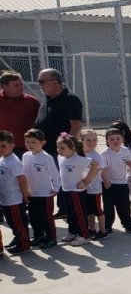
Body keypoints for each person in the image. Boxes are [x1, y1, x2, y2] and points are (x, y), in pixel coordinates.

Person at [36, 68, 82, 218]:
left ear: (55, 82)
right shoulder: (48, 98)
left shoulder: (70, 99)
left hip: (61, 150)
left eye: (42, 82)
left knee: (65, 179)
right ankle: (63, 209)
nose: (40, 85)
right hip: (45, 148)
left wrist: (68, 148)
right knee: (56, 179)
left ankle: (69, 210)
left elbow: (75, 125)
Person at [21, 128, 60, 248]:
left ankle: (51, 238)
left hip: (45, 193)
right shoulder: (26, 155)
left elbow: (55, 174)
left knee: (47, 218)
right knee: (33, 217)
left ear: (42, 143)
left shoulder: (46, 157)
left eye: (33, 142)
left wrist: (56, 188)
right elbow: (23, 173)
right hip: (32, 193)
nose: (30, 145)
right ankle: (38, 236)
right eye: (27, 142)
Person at [55, 134, 92, 246]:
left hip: (77, 192)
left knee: (79, 213)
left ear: (73, 148)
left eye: (62, 148)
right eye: (58, 147)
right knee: (70, 213)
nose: (59, 150)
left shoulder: (79, 159)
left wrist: (85, 181)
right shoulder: (60, 157)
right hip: (66, 190)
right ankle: (73, 232)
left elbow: (95, 165)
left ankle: (84, 235)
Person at [100, 127, 131, 235]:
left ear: (122, 140)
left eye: (118, 138)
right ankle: (107, 226)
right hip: (109, 184)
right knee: (108, 207)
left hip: (122, 183)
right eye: (111, 139)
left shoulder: (125, 150)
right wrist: (106, 181)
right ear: (107, 141)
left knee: (124, 206)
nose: (115, 141)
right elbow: (104, 169)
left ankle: (128, 225)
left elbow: (128, 160)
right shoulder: (105, 154)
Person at [0, 130, 31, 253]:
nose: (1, 149)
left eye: (3, 146)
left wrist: (25, 194)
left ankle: (24, 243)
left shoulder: (13, 161)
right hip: (5, 199)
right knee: (12, 222)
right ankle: (18, 239)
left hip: (14, 199)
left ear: (12, 145)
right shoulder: (3, 158)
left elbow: (22, 179)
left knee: (18, 223)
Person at [0, 71, 41, 158]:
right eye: (16, 85)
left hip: (24, 149)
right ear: (4, 86)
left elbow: (40, 123)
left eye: (21, 84)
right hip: (2, 148)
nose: (20, 87)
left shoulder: (32, 102)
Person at [79, 129, 106, 240]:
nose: (92, 142)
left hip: (94, 189)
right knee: (88, 210)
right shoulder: (80, 154)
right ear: (81, 141)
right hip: (84, 188)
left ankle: (103, 230)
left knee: (97, 209)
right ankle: (92, 229)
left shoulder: (96, 156)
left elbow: (96, 173)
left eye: (94, 140)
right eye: (88, 140)